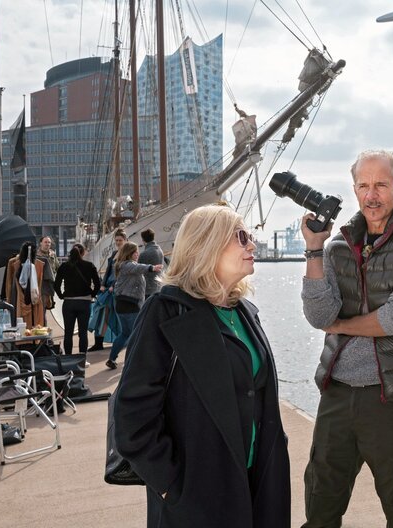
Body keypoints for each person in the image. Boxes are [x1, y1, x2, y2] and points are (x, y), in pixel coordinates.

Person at [113, 204, 290, 527]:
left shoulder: (245, 312)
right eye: (241, 237)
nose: (251, 244)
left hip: (257, 483)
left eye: (249, 236)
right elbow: (132, 415)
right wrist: (170, 485)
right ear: (208, 245)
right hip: (197, 494)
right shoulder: (165, 312)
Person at [300, 149, 393, 527]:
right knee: (320, 506)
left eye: (381, 184)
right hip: (337, 392)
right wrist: (314, 249)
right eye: (363, 185)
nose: (372, 194)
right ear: (354, 189)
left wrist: (342, 325)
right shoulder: (335, 248)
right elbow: (318, 315)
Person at [105, 241, 162, 369]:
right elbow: (138, 268)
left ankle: (112, 359)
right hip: (130, 305)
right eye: (135, 252)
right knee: (135, 334)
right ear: (129, 253)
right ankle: (131, 362)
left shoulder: (122, 266)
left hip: (122, 304)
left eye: (137, 251)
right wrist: (152, 268)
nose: (137, 254)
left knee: (125, 334)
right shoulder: (127, 265)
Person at [54, 243, 100, 357]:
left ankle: (68, 358)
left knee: (68, 333)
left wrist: (61, 295)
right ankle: (82, 358)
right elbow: (98, 284)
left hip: (69, 302)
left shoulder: (64, 266)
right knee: (82, 333)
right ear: (83, 253)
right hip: (84, 302)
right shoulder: (89, 265)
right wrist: (92, 294)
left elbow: (56, 285)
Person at [88, 229, 126, 352]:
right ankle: (99, 342)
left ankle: (124, 339)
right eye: (117, 240)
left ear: (125, 240)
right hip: (108, 289)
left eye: (120, 240)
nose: (118, 242)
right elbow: (108, 271)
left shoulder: (126, 255)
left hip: (117, 289)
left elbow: (123, 273)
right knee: (102, 313)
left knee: (119, 316)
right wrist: (103, 284)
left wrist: (114, 286)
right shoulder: (114, 253)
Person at [3, 241, 46, 329]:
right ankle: (34, 339)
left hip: (18, 298)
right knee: (35, 326)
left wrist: (8, 300)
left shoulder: (13, 263)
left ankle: (24, 340)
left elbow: (9, 283)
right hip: (35, 298)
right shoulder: (39, 265)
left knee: (21, 324)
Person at [36, 235, 59, 321]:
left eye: (49, 242)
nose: (47, 244)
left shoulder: (52, 254)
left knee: (48, 303)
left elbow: (57, 267)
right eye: (45, 242)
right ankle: (42, 324)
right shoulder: (36, 255)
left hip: (50, 283)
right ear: (41, 243)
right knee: (42, 306)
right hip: (41, 284)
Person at [139, 228, 165, 299]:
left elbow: (139, 270)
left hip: (147, 290)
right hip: (158, 287)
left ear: (143, 240)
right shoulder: (160, 250)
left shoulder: (144, 254)